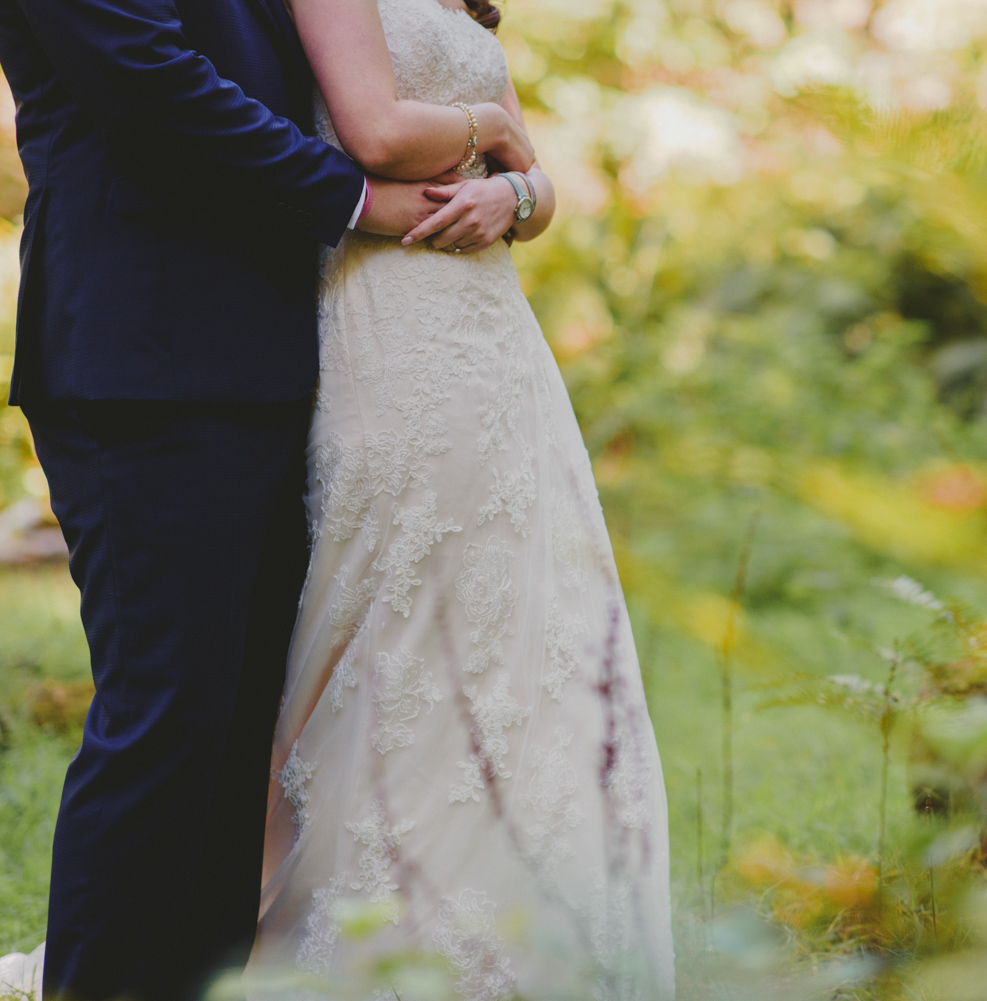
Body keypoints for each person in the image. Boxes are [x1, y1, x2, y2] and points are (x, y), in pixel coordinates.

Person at [0, 0, 673, 993]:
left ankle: (209, 979)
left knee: (238, 726)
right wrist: (357, 199)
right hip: (142, 352)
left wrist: (512, 182)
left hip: (279, 350)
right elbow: (154, 90)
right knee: (167, 713)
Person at [245, 0, 673, 994]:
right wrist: (493, 131)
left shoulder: (462, 4)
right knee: (390, 607)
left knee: (520, 615)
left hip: (494, 336)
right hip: (387, 311)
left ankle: (513, 931)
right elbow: (377, 134)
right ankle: (340, 934)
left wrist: (517, 195)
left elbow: (541, 179)